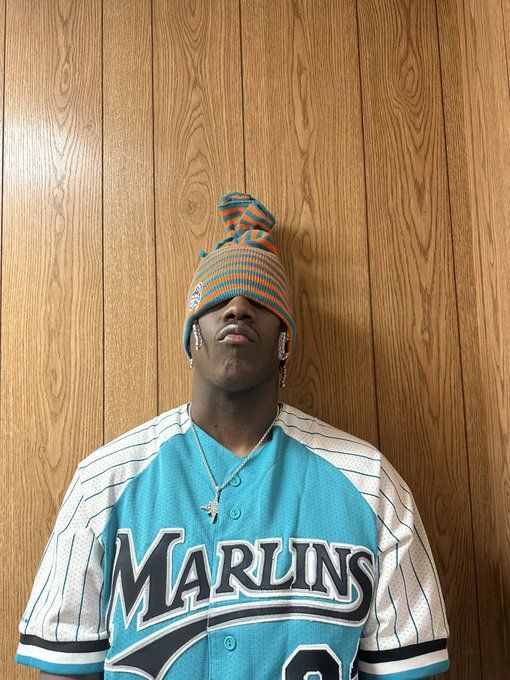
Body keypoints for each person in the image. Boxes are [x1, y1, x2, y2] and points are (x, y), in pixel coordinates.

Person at [15, 191, 450, 679]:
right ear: (192, 335)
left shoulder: (371, 484)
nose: (238, 307)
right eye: (218, 299)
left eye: (258, 300)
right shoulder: (104, 482)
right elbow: (65, 667)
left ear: (284, 341)